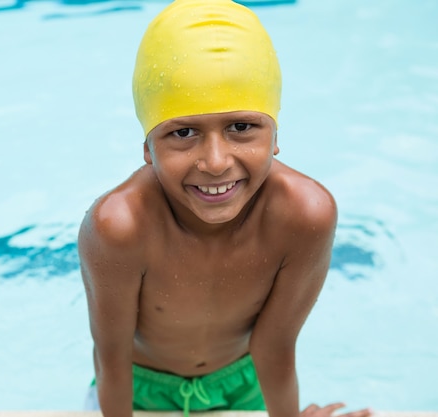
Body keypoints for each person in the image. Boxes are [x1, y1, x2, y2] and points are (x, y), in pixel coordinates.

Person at [77, 1, 373, 417]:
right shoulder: (119, 226)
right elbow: (111, 357)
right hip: (138, 388)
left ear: (275, 135)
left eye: (241, 127)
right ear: (147, 148)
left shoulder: (305, 215)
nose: (215, 162)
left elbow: (274, 344)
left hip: (243, 383)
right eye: (182, 132)